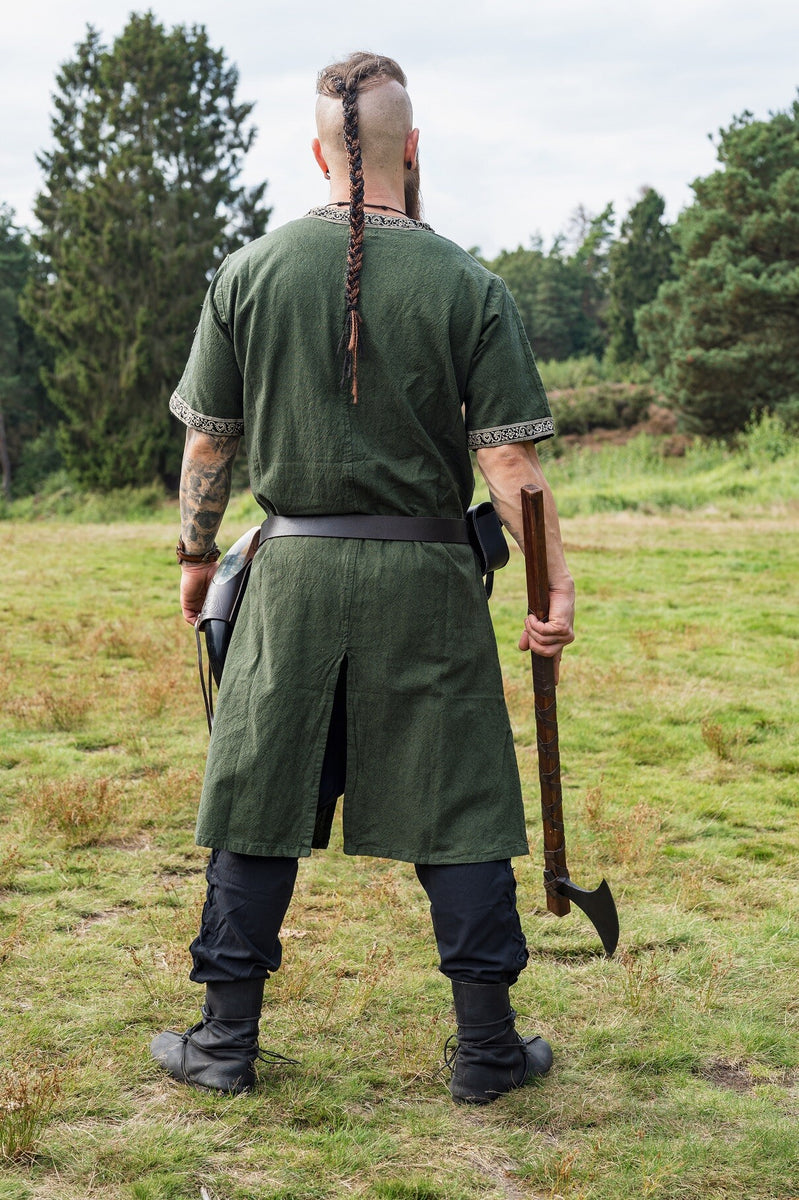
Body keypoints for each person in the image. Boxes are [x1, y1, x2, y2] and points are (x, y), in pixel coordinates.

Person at [151, 51, 575, 1105]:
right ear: (409, 149)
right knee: (462, 809)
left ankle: (222, 1044)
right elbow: (512, 468)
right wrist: (553, 587)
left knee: (257, 802)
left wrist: (199, 563)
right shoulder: (467, 284)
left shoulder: (246, 272)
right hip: (428, 583)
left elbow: (209, 452)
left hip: (289, 581)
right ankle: (485, 1055)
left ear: (314, 151)